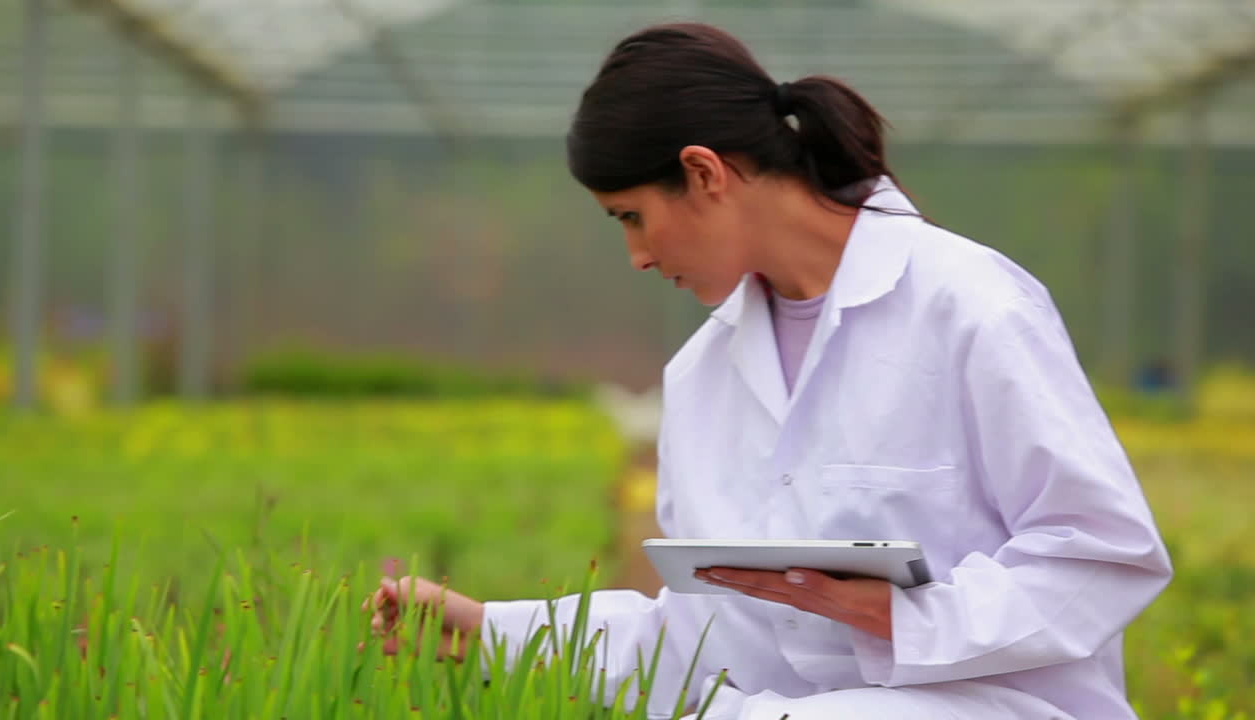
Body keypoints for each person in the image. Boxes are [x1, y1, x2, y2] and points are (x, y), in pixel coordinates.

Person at [365, 22, 1172, 719]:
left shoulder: (970, 306)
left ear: (705, 173)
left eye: (633, 218)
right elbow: (698, 637)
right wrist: (496, 631)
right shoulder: (704, 375)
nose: (637, 257)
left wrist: (907, 616)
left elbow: (1100, 555)